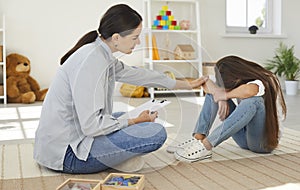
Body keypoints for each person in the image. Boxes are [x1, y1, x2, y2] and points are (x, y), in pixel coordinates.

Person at [33, 4, 208, 174]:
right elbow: (92, 127)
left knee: (122, 117)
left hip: (75, 137)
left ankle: (117, 156)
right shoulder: (91, 62)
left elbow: (140, 75)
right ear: (116, 38)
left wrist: (186, 84)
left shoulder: (100, 53)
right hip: (69, 154)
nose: (138, 42)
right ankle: (115, 158)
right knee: (155, 132)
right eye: (134, 37)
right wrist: (134, 121)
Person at [168, 55, 287, 162]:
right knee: (212, 94)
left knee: (253, 101)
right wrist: (220, 98)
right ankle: (198, 140)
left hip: (263, 143)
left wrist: (224, 95)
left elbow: (250, 90)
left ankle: (206, 146)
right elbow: (206, 81)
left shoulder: (266, 79)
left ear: (237, 77)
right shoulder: (234, 77)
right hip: (244, 139)